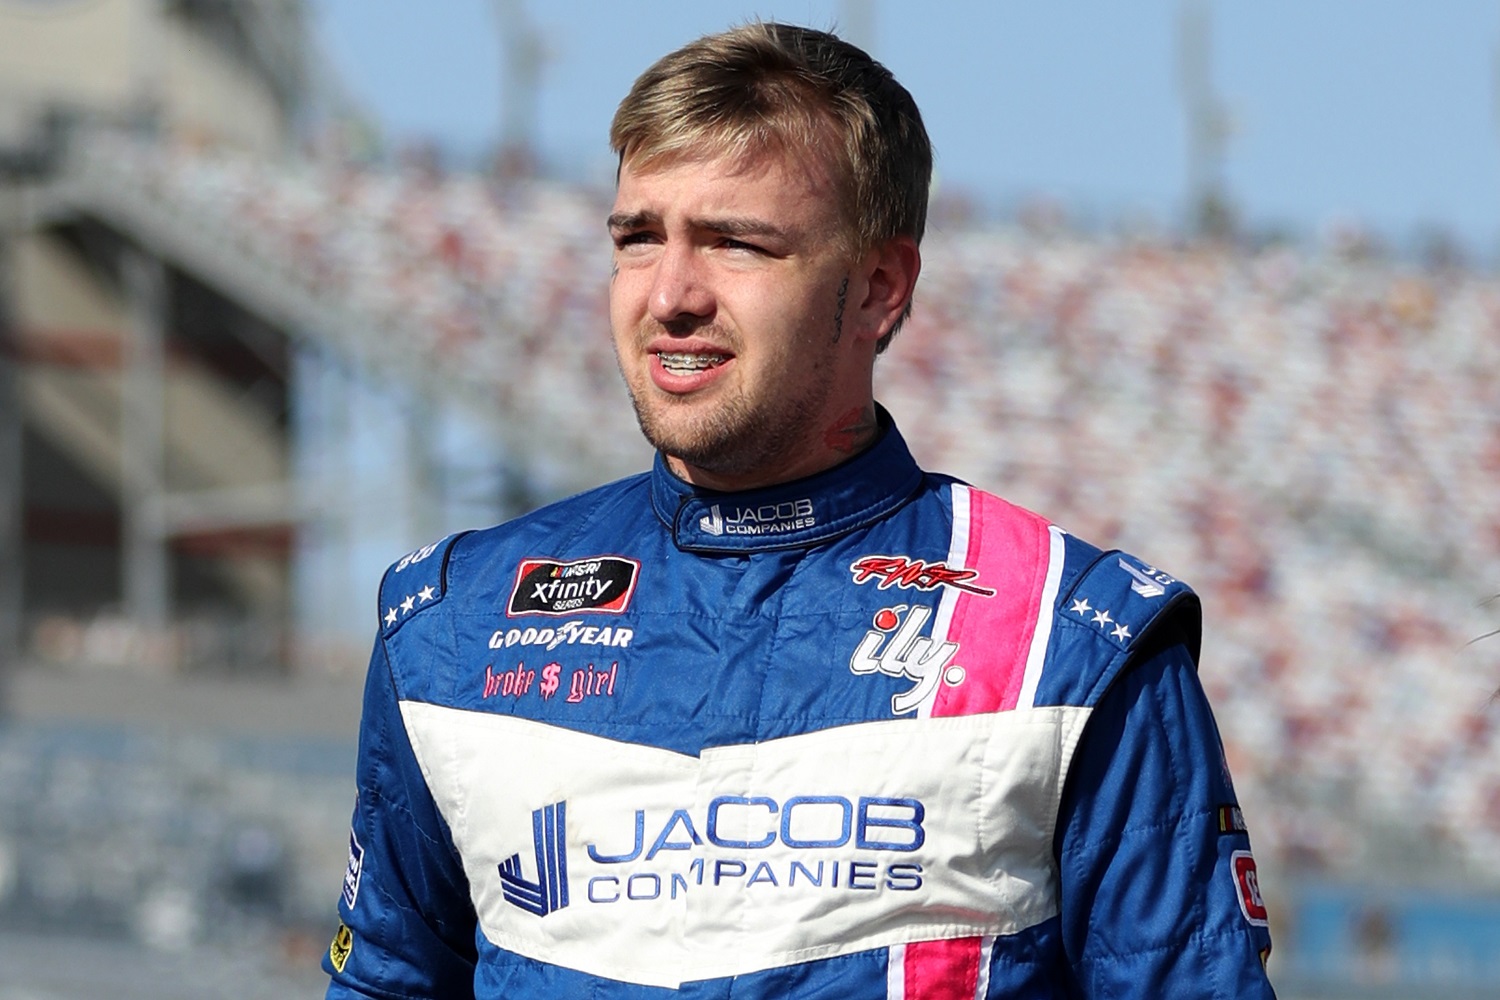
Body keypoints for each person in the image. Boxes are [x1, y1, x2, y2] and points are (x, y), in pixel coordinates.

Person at [324, 21, 1276, 999]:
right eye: (639, 238)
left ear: (878, 287)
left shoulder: (1071, 640)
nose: (671, 295)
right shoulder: (454, 625)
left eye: (736, 242)